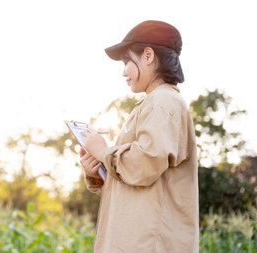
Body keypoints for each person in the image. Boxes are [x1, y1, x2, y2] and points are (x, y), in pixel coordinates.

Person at [79, 20, 199, 252]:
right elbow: (138, 183)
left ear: (147, 55)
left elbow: (144, 165)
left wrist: (103, 151)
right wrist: (98, 171)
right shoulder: (154, 102)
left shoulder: (163, 102)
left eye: (126, 61)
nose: (123, 71)